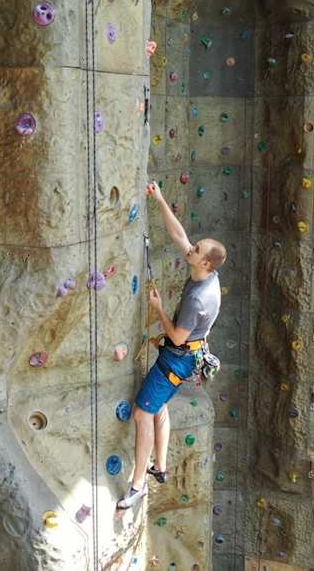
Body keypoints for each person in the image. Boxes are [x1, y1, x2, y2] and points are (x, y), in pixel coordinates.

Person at [117, 182, 226, 510]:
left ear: (204, 263)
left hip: (177, 359)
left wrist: (158, 308)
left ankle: (136, 485)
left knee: (142, 411)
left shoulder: (198, 299)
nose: (191, 248)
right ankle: (160, 467)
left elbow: (178, 337)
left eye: (198, 249)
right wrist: (160, 199)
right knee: (159, 404)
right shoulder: (204, 273)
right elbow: (179, 235)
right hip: (186, 356)